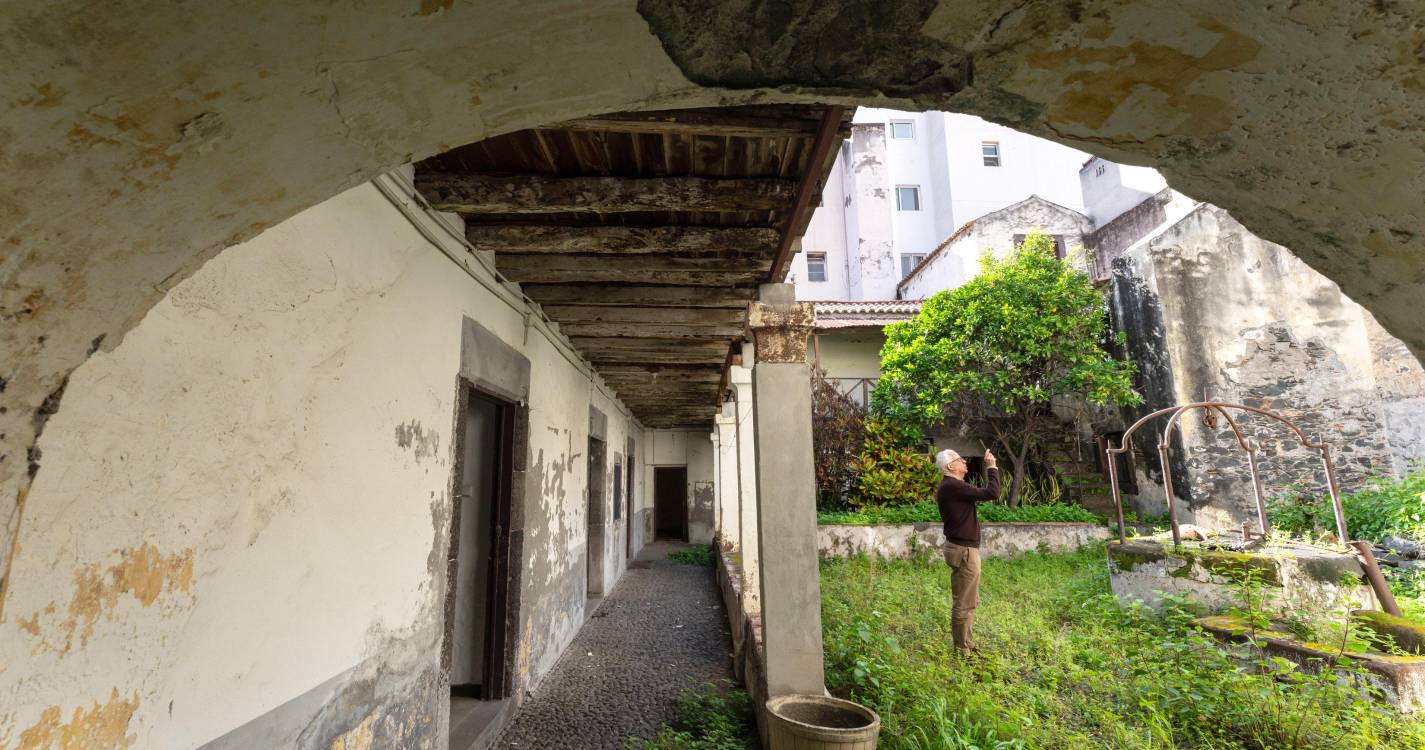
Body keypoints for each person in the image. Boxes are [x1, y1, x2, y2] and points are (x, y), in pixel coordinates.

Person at [933, 448, 1000, 653]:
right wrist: (992, 467)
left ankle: (966, 644)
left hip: (963, 549)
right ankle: (962, 650)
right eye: (960, 459)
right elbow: (992, 493)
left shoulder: (952, 487)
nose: (964, 461)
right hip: (964, 551)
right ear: (950, 466)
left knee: (969, 600)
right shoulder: (952, 486)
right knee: (964, 602)